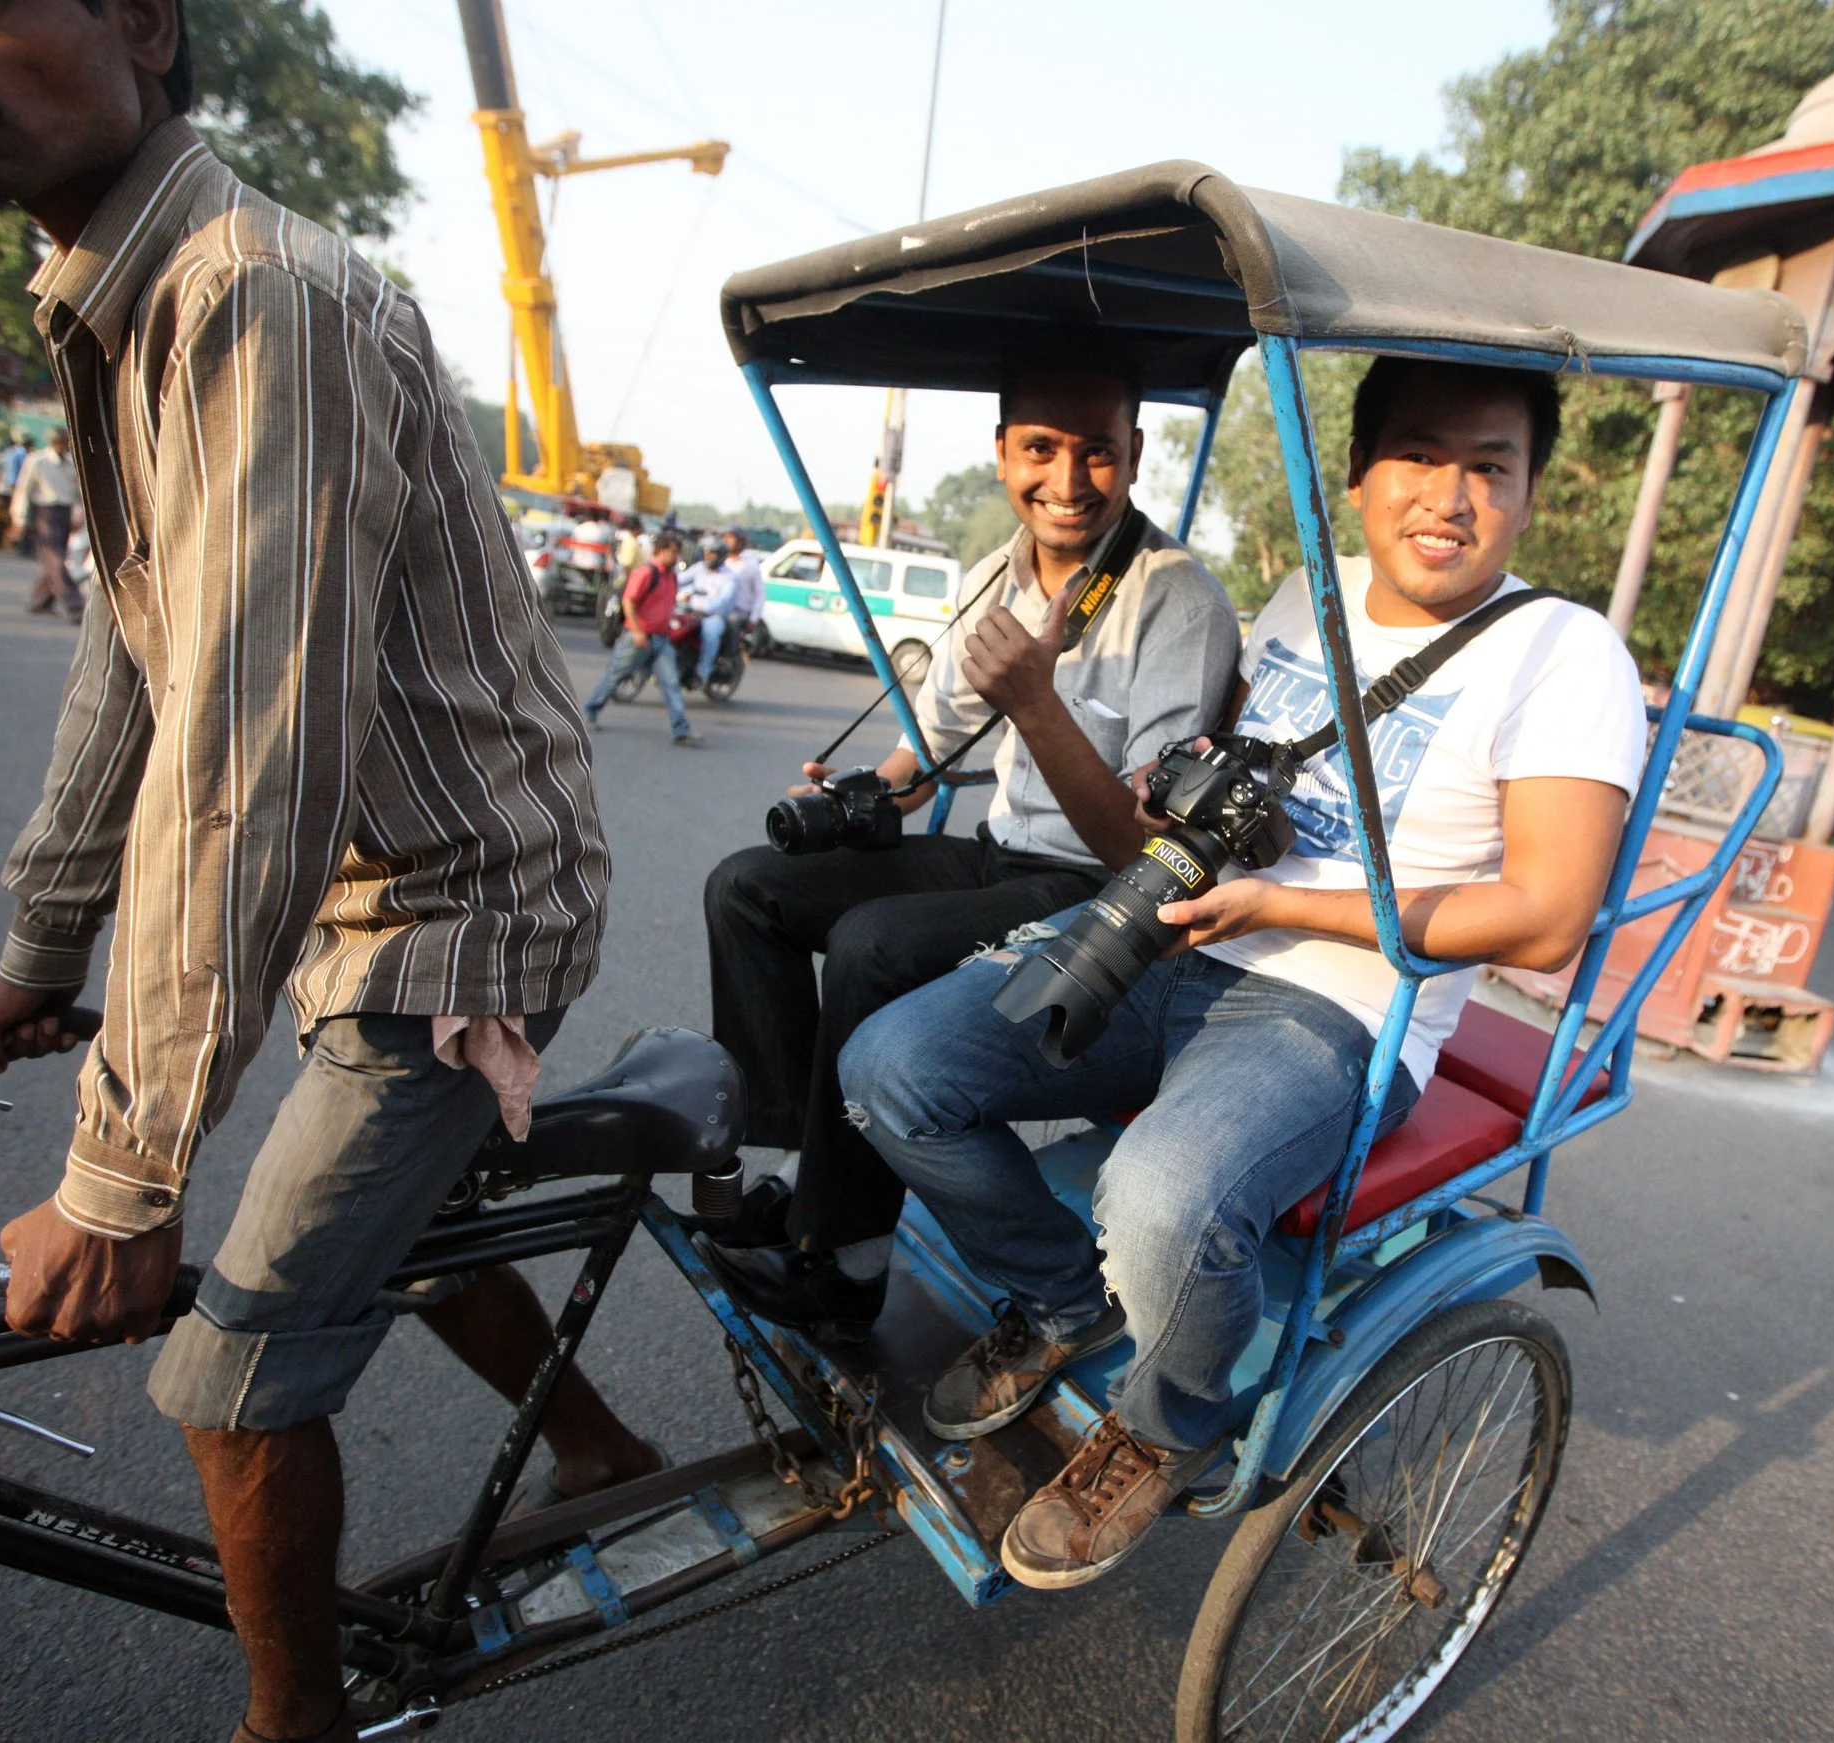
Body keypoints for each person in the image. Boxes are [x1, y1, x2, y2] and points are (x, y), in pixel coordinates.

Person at [0, 7, 655, 1740]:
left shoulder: (253, 294)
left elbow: (241, 761)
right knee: (399, 1223)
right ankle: (594, 1441)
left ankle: (295, 1719)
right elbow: (134, 652)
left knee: (228, 1372)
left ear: (141, 22)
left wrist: (123, 1171)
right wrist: (45, 932)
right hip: (367, 874)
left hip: (462, 902)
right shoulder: (124, 300)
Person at [838, 357, 1645, 1590]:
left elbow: (1544, 921)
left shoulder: (1561, 653)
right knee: (891, 1066)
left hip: (1341, 1005)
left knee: (1160, 1198)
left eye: (1491, 468)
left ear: (1531, 492)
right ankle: (1063, 1302)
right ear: (1362, 479)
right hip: (1184, 933)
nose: (1451, 496)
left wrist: (1283, 901)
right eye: (1422, 458)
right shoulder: (1292, 601)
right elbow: (1185, 788)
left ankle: (1171, 1428)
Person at [695, 355, 1242, 1335]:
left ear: (1135, 457)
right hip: (996, 854)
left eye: (1096, 454)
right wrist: (863, 795)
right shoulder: (995, 574)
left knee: (874, 944)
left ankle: (848, 1262)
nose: (1067, 482)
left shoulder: (1177, 601)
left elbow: (1147, 849)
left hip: (1096, 888)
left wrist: (1036, 705)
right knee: (748, 887)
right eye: (1040, 449)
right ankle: (794, 1164)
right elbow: (927, 751)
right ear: (1002, 455)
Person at [583, 530, 698, 743]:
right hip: (638, 638)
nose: (676, 557)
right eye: (673, 552)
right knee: (615, 676)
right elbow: (629, 601)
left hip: (661, 639)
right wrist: (637, 632)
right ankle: (589, 712)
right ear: (661, 551)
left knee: (671, 683)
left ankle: (681, 730)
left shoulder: (672, 577)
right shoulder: (646, 572)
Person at [8, 429, 83, 619]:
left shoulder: (71, 463)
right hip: (45, 512)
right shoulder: (38, 460)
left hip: (65, 512)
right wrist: (19, 518)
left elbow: (78, 493)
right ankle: (74, 603)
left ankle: (40, 599)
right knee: (56, 559)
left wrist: (79, 515)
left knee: (51, 559)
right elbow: (24, 489)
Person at [678, 536, 737, 686]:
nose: (708, 557)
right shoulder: (699, 568)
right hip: (690, 612)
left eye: (712, 554)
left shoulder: (729, 577)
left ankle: (702, 672)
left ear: (720, 555)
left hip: (712, 617)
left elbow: (723, 599)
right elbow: (680, 580)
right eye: (706, 553)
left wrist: (706, 610)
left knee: (710, 634)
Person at [0, 428, 30, 548]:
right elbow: (13, 473)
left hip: (1, 488)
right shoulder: (19, 453)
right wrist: (14, 488)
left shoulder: (7, 453)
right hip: (8, 489)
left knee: (1, 515)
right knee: (7, 516)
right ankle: (3, 541)